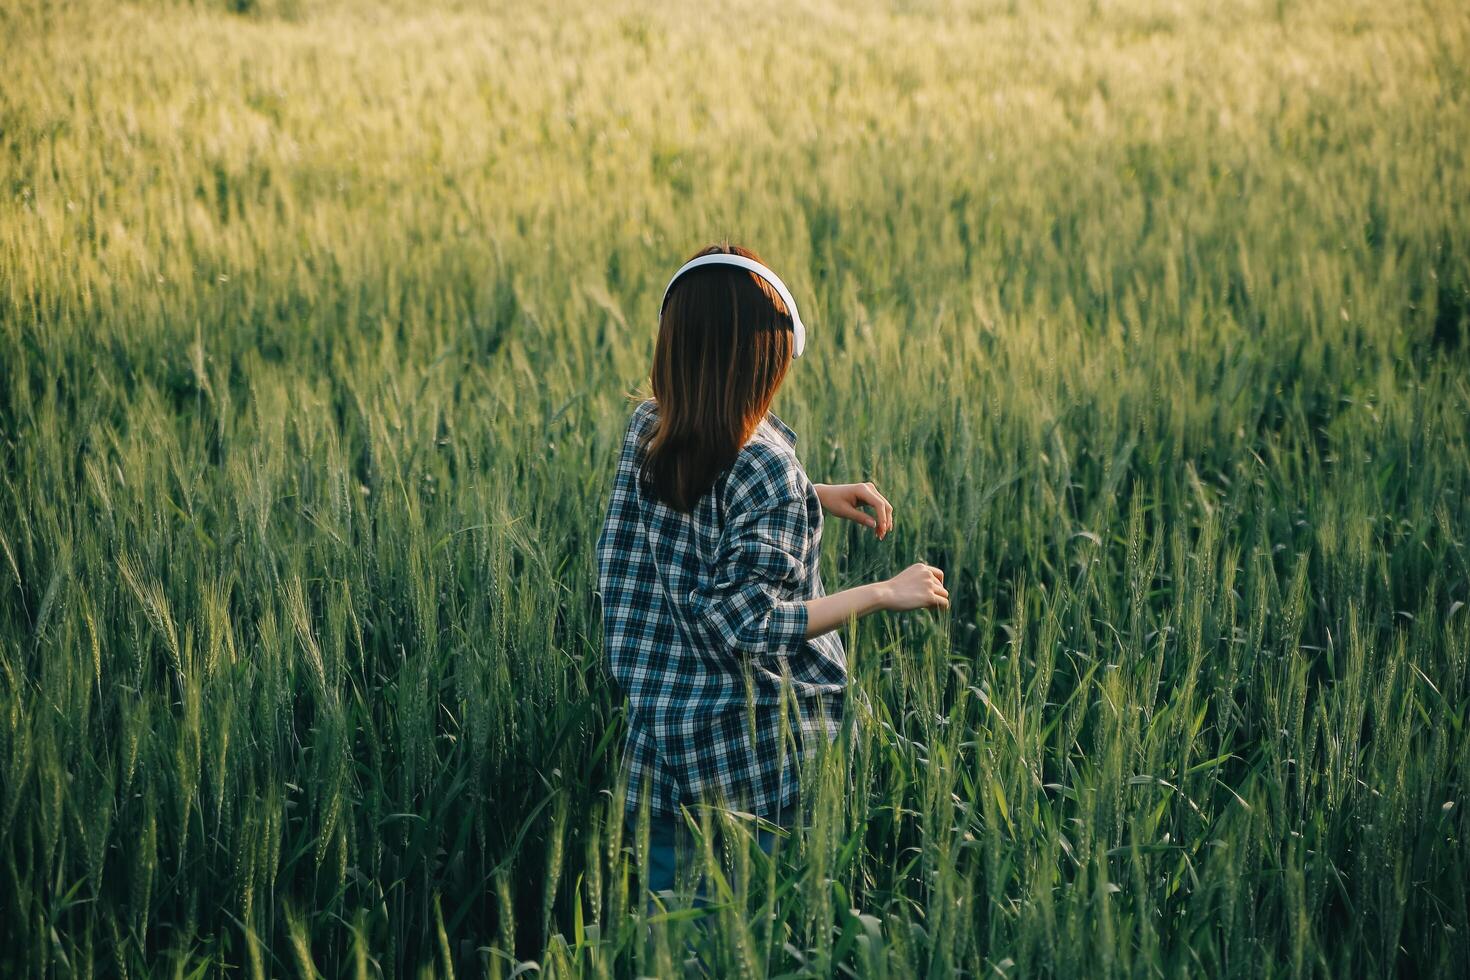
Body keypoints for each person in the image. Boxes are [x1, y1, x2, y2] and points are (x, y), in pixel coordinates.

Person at [593, 241, 950, 914]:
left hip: (661, 749)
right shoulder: (767, 473)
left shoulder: (650, 427)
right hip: (755, 762)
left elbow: (694, 509)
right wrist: (880, 592)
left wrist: (812, 494)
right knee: (759, 928)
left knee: (669, 933)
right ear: (765, 365)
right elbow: (747, 623)